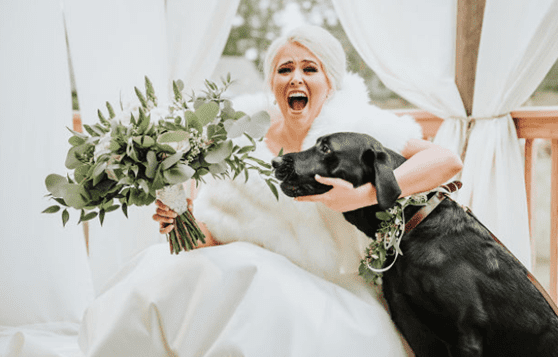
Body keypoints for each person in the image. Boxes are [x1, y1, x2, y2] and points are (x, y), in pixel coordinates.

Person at [79, 25, 462, 357]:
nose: (296, 77)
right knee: (168, 272)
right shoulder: (237, 140)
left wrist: (361, 196)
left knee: (253, 283)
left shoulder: (357, 127)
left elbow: (447, 162)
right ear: (272, 84)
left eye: (309, 68)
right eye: (285, 69)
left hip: (326, 286)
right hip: (244, 276)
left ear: (329, 82)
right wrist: (182, 221)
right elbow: (212, 240)